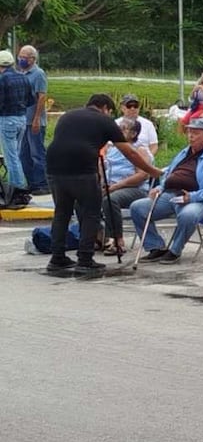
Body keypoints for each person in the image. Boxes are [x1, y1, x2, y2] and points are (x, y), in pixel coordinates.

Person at [45, 94, 163, 272]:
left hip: (54, 168)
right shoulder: (105, 121)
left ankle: (57, 258)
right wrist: (153, 171)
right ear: (105, 108)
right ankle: (85, 259)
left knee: (62, 213)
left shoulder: (67, 116)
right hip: (83, 170)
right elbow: (129, 153)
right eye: (109, 112)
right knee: (90, 212)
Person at [129, 117, 203, 265]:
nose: (190, 136)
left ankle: (175, 251)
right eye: (189, 132)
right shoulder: (184, 152)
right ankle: (155, 247)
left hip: (199, 199)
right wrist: (160, 188)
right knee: (138, 208)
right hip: (172, 195)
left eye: (195, 133)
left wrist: (192, 197)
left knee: (188, 214)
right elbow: (170, 172)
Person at [100, 116, 154, 256]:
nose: (119, 131)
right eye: (119, 128)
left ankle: (118, 241)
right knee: (82, 198)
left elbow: (142, 175)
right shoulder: (113, 149)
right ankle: (98, 237)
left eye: (124, 129)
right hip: (111, 186)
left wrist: (116, 186)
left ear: (133, 134)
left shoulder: (139, 149)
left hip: (135, 189)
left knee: (110, 200)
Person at [0, 49, 34, 205]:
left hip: (7, 119)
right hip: (21, 118)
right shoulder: (23, 78)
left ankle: (17, 190)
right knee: (17, 155)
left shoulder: (2, 80)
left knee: (10, 157)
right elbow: (30, 100)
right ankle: (19, 187)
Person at [18, 44, 49, 195]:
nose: (21, 60)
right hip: (23, 120)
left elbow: (41, 97)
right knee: (23, 154)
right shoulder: (21, 73)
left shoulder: (38, 74)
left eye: (24, 57)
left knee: (37, 153)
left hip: (34, 121)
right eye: (20, 57)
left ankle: (41, 183)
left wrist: (37, 118)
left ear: (32, 59)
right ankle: (31, 182)